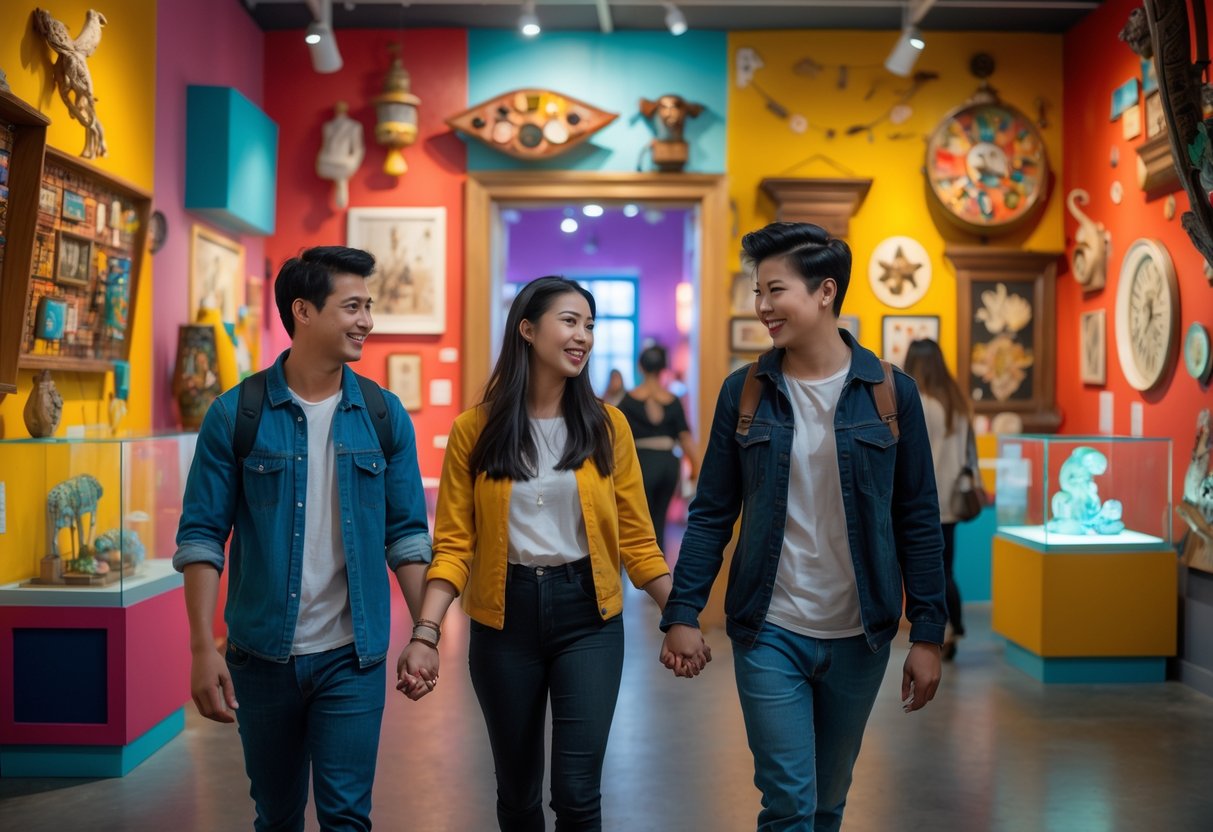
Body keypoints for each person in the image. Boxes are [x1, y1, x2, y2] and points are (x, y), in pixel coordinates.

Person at [659, 222, 946, 832]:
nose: (762, 307)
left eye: (775, 290)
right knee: (788, 799)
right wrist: (682, 612)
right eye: (757, 292)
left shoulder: (892, 394)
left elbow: (917, 517)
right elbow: (711, 512)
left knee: (828, 801)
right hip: (770, 628)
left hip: (860, 632)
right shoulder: (746, 392)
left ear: (824, 292)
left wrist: (927, 632)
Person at [173, 246, 432, 832]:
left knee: (345, 817)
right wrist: (200, 648)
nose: (367, 320)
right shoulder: (234, 414)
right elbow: (202, 537)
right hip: (261, 656)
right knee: (277, 816)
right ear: (304, 312)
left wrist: (425, 632)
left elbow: (408, 536)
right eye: (353, 306)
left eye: (369, 305)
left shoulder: (384, 416)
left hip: (353, 655)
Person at [400, 276, 672, 831]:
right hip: (505, 620)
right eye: (570, 321)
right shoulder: (474, 431)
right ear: (527, 329)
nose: (584, 337)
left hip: (589, 617)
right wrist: (425, 633)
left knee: (576, 794)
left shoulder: (607, 426)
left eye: (590, 325)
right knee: (518, 794)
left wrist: (682, 614)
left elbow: (639, 540)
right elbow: (453, 545)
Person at [904, 338, 973, 661]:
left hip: (923, 501)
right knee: (945, 569)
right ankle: (953, 627)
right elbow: (967, 455)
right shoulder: (956, 402)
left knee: (927, 569)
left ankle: (939, 628)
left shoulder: (916, 401)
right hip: (952, 502)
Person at [618, 344, 699, 555]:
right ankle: (658, 566)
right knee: (660, 519)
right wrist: (696, 469)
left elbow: (616, 439)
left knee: (639, 519)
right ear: (664, 367)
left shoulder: (627, 400)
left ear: (640, 367)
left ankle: (640, 566)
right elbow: (686, 438)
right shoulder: (672, 401)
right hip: (668, 464)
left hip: (641, 463)